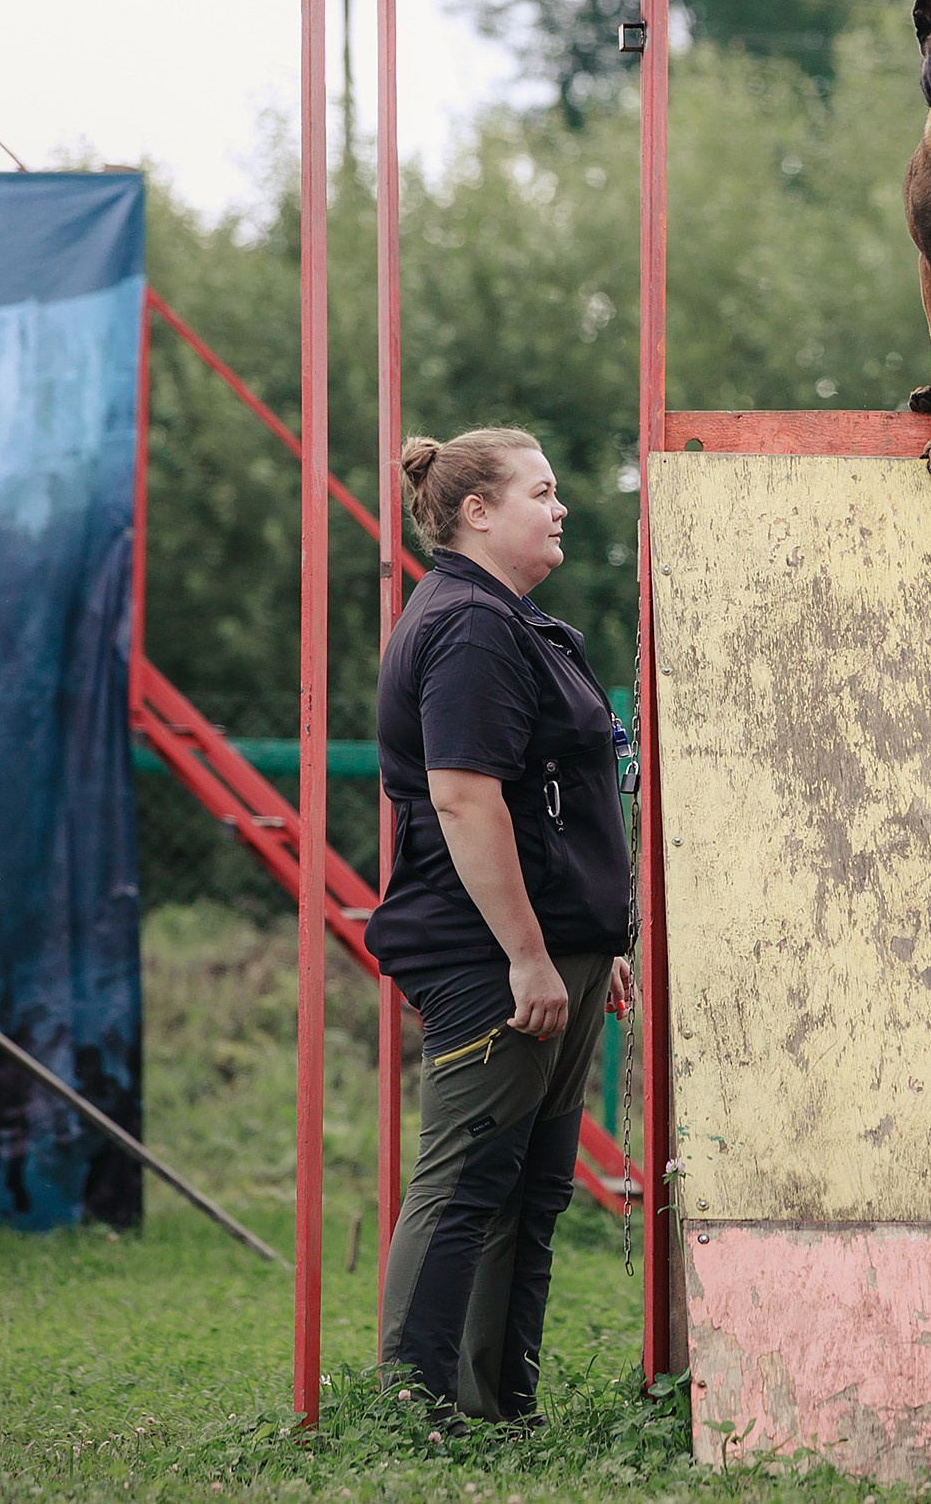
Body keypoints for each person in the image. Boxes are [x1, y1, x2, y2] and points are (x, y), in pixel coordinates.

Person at [369, 426, 634, 1428]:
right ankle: (411, 1410)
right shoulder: (470, 627)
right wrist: (528, 953)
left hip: (551, 955)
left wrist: (583, 941)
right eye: (542, 491)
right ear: (476, 511)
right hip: (493, 959)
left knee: (530, 1189)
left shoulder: (512, 623)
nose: (560, 507)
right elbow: (465, 798)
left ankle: (493, 1407)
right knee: (466, 1183)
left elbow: (546, 801)